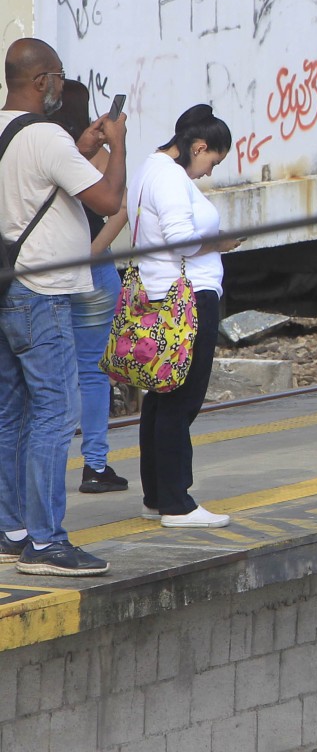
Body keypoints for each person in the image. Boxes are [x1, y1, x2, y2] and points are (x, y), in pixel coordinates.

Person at [0, 39, 125, 576]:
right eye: (58, 77)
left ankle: (11, 529)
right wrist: (116, 144)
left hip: (9, 289)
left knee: (12, 413)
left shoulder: (9, 129)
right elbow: (108, 200)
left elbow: (38, 181)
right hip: (44, 294)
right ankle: (48, 543)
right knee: (55, 413)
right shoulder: (47, 136)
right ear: (44, 81)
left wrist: (83, 142)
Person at [131, 105, 243, 528]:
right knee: (182, 400)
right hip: (188, 300)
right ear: (198, 147)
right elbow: (180, 240)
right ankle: (177, 503)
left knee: (161, 398)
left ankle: (157, 494)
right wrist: (220, 242)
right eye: (211, 160)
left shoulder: (149, 167)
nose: (209, 171)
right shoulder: (172, 178)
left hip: (161, 296)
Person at [49, 82, 128, 495]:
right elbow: (117, 209)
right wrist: (91, 255)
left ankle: (47, 464)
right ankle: (95, 465)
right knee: (93, 372)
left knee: (50, 375)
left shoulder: (38, 146)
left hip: (50, 272)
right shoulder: (97, 156)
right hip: (94, 273)